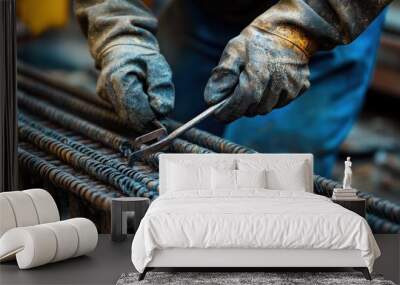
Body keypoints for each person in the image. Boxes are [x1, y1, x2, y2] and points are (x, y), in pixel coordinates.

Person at [75, 0, 390, 176]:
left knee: (269, 175)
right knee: (168, 152)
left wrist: (296, 31)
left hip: (323, 19)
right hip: (203, 13)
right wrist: (117, 25)